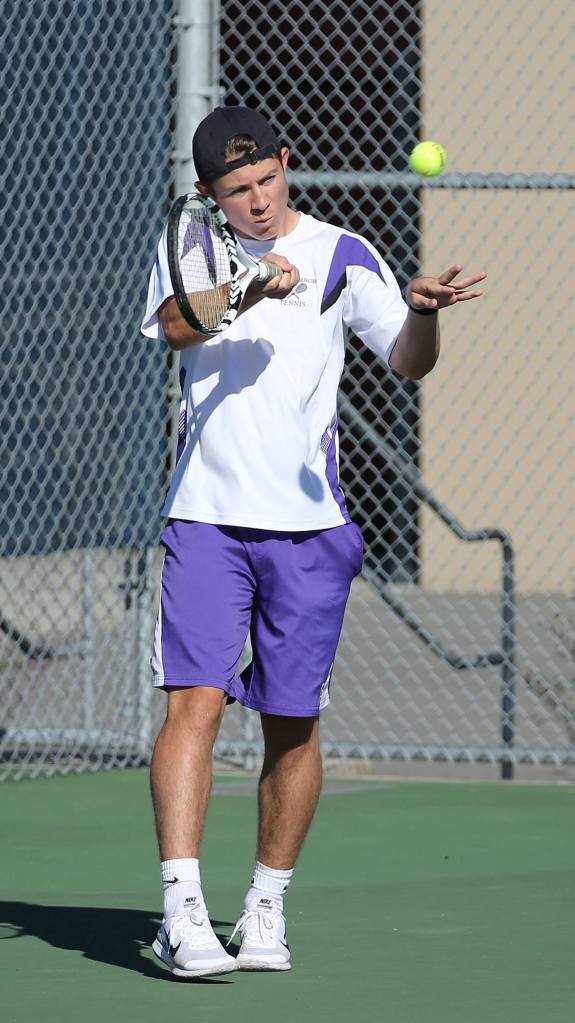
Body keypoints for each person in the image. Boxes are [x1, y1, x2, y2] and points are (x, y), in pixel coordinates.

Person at [141, 105, 485, 980]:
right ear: (210, 196)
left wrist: (425, 313)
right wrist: (251, 287)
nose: (257, 201)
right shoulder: (193, 251)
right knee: (196, 706)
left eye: (266, 180)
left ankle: (264, 907)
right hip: (207, 517)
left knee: (293, 726)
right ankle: (182, 911)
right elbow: (177, 326)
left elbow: (406, 361)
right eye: (236, 190)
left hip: (311, 531)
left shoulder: (343, 253)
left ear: (286, 164)